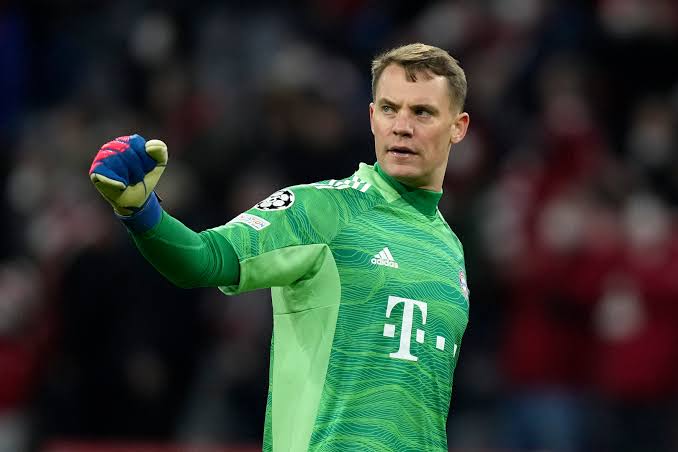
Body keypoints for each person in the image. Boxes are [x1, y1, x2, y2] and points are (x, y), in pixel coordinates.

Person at [88, 43, 471, 451]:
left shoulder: (450, 249)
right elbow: (203, 259)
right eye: (390, 109)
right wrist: (141, 212)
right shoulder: (322, 210)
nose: (402, 126)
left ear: (458, 127)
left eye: (422, 112)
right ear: (372, 118)